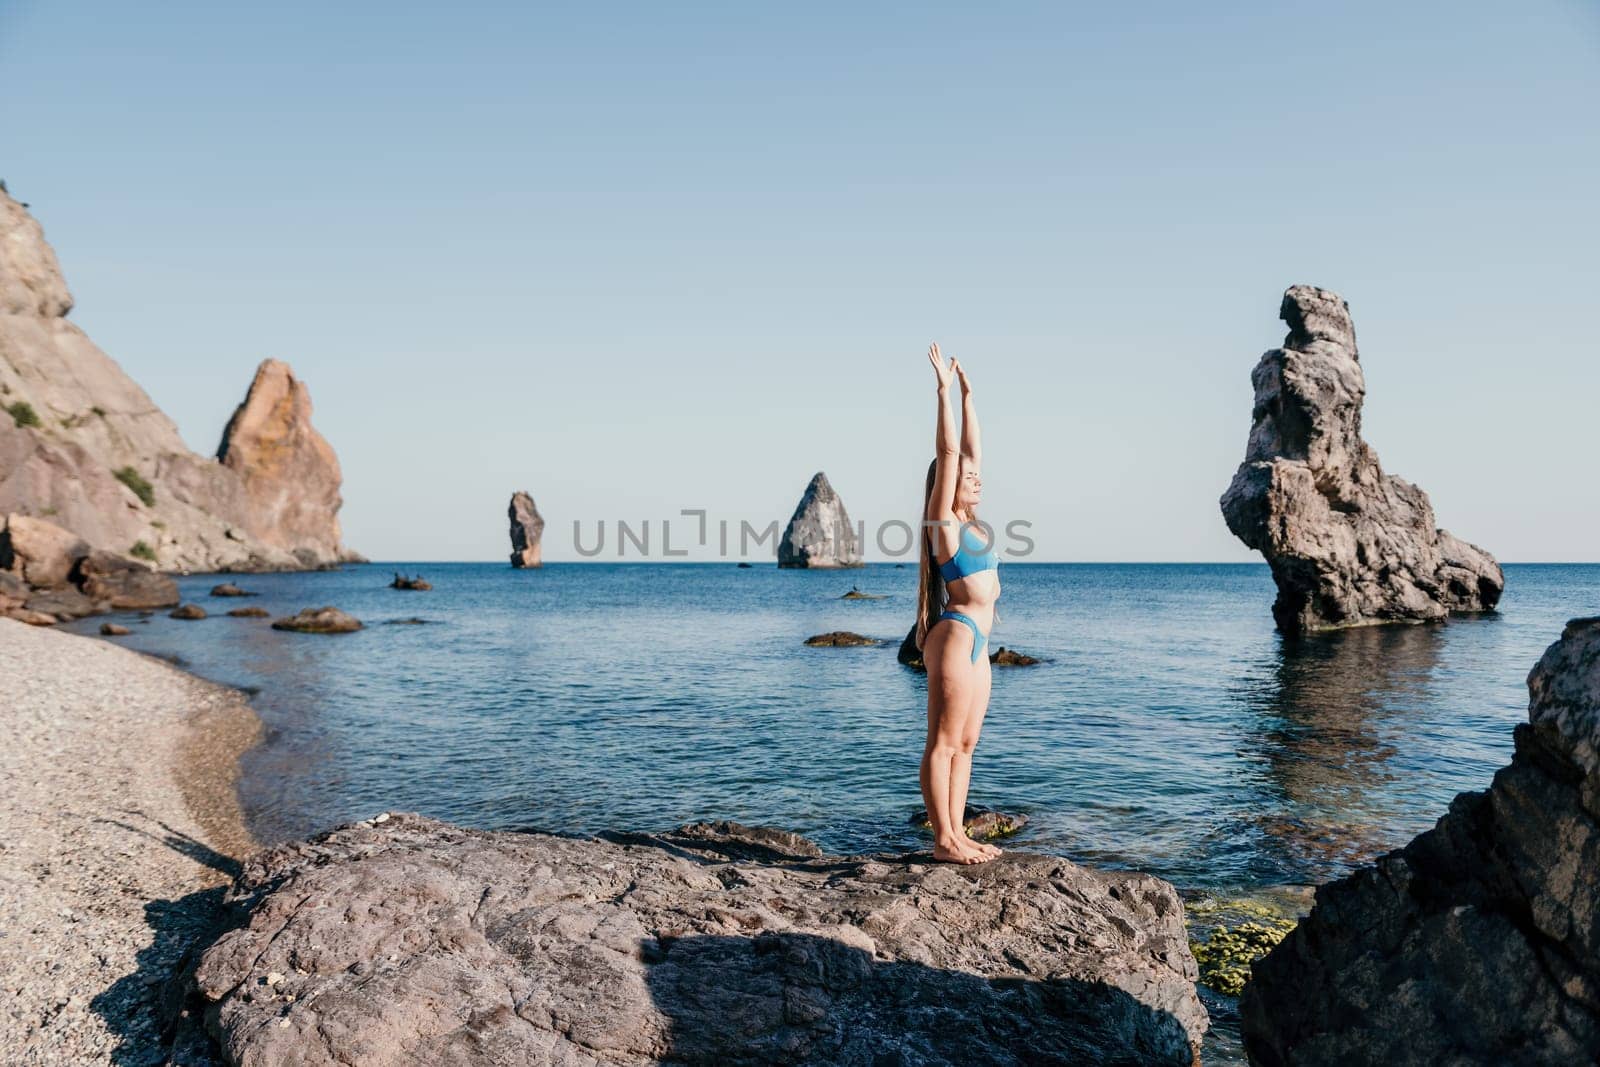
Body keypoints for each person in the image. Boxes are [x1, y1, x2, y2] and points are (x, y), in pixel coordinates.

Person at [916, 343, 1002, 864]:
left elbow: (971, 450)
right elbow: (951, 455)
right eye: (969, 480)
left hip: (983, 643)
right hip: (956, 634)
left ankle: (959, 831)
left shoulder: (973, 524)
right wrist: (943, 392)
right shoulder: (943, 523)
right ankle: (943, 838)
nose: (978, 478)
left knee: (967, 744)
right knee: (944, 741)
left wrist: (971, 396)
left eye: (977, 476)